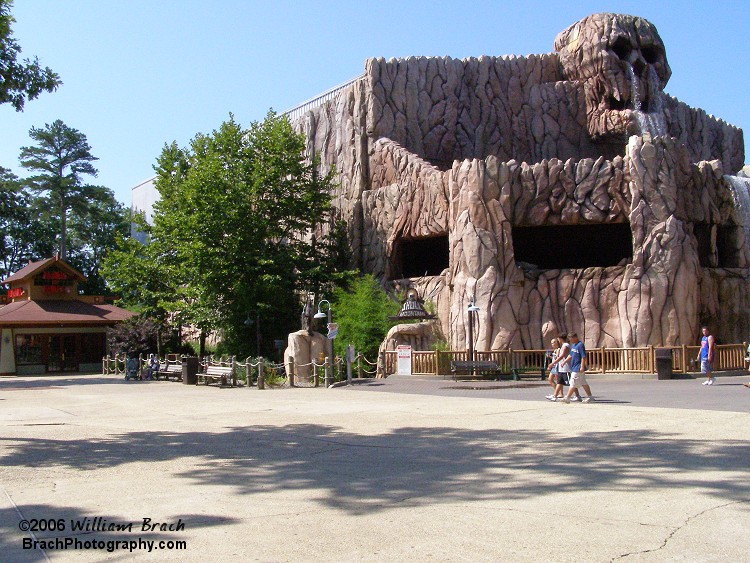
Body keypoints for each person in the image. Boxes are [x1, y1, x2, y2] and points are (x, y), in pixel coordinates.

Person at [562, 332, 594, 403]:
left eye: (571, 339)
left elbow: (583, 356)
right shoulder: (573, 345)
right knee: (583, 382)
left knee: (572, 382)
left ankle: (567, 397)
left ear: (575, 337)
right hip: (574, 366)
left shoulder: (580, 345)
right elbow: (571, 355)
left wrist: (582, 366)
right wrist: (564, 361)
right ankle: (590, 396)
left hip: (578, 367)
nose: (571, 341)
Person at [547, 333, 578, 401]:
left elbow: (562, 356)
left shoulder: (566, 345)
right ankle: (555, 396)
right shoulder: (564, 345)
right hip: (562, 368)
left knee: (571, 382)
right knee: (560, 382)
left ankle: (577, 396)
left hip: (566, 368)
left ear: (560, 338)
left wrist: (553, 363)